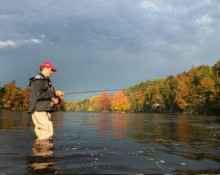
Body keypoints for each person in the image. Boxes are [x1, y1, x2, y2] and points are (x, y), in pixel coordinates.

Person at [28, 62, 64, 140]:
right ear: (45, 68)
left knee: (43, 133)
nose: (52, 72)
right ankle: (44, 151)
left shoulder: (46, 80)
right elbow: (38, 95)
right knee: (46, 133)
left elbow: (49, 95)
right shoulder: (38, 81)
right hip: (39, 110)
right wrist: (54, 93)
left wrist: (57, 99)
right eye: (51, 70)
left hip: (44, 109)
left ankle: (39, 150)